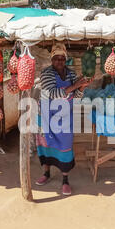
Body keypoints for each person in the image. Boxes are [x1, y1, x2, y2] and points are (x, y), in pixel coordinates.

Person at [35, 43, 90, 196]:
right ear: (52, 59)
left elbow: (76, 97)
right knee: (45, 146)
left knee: (65, 146)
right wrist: (75, 85)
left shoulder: (71, 74)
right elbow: (53, 93)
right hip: (46, 116)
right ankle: (46, 174)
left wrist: (82, 87)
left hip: (64, 117)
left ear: (65, 60)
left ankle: (65, 180)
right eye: (56, 58)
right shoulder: (46, 73)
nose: (59, 61)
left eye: (62, 58)